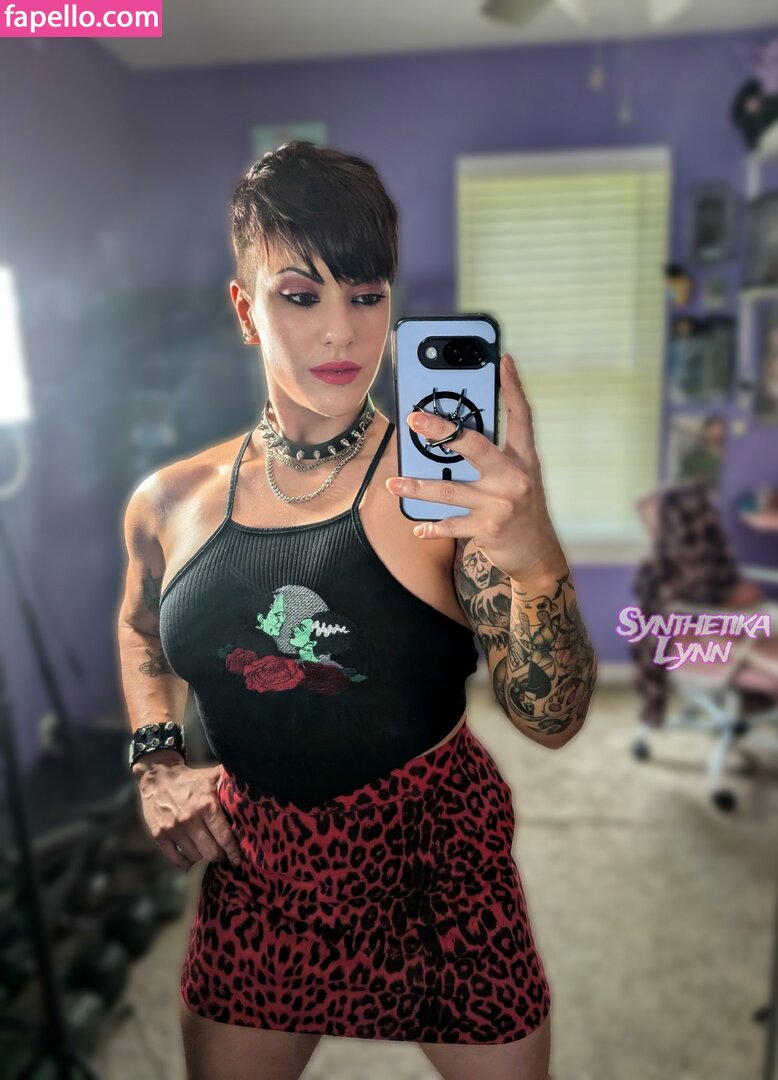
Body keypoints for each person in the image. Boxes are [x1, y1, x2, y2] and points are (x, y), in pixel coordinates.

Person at [117, 141, 597, 1080]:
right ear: (245, 310)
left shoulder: (443, 499)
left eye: (367, 294)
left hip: (437, 867)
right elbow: (142, 629)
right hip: (262, 872)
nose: (342, 332)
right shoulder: (169, 501)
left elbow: (555, 717)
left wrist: (536, 560)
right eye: (301, 296)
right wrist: (157, 759)